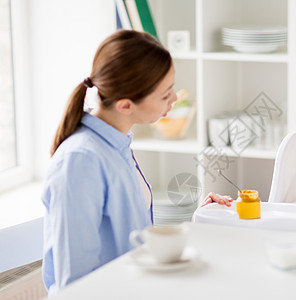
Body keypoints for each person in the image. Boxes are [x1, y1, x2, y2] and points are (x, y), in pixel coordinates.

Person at [42, 30, 231, 295]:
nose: (175, 99)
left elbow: (129, 242)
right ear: (126, 106)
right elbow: (75, 285)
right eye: (165, 95)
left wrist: (196, 220)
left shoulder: (118, 145)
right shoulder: (80, 162)